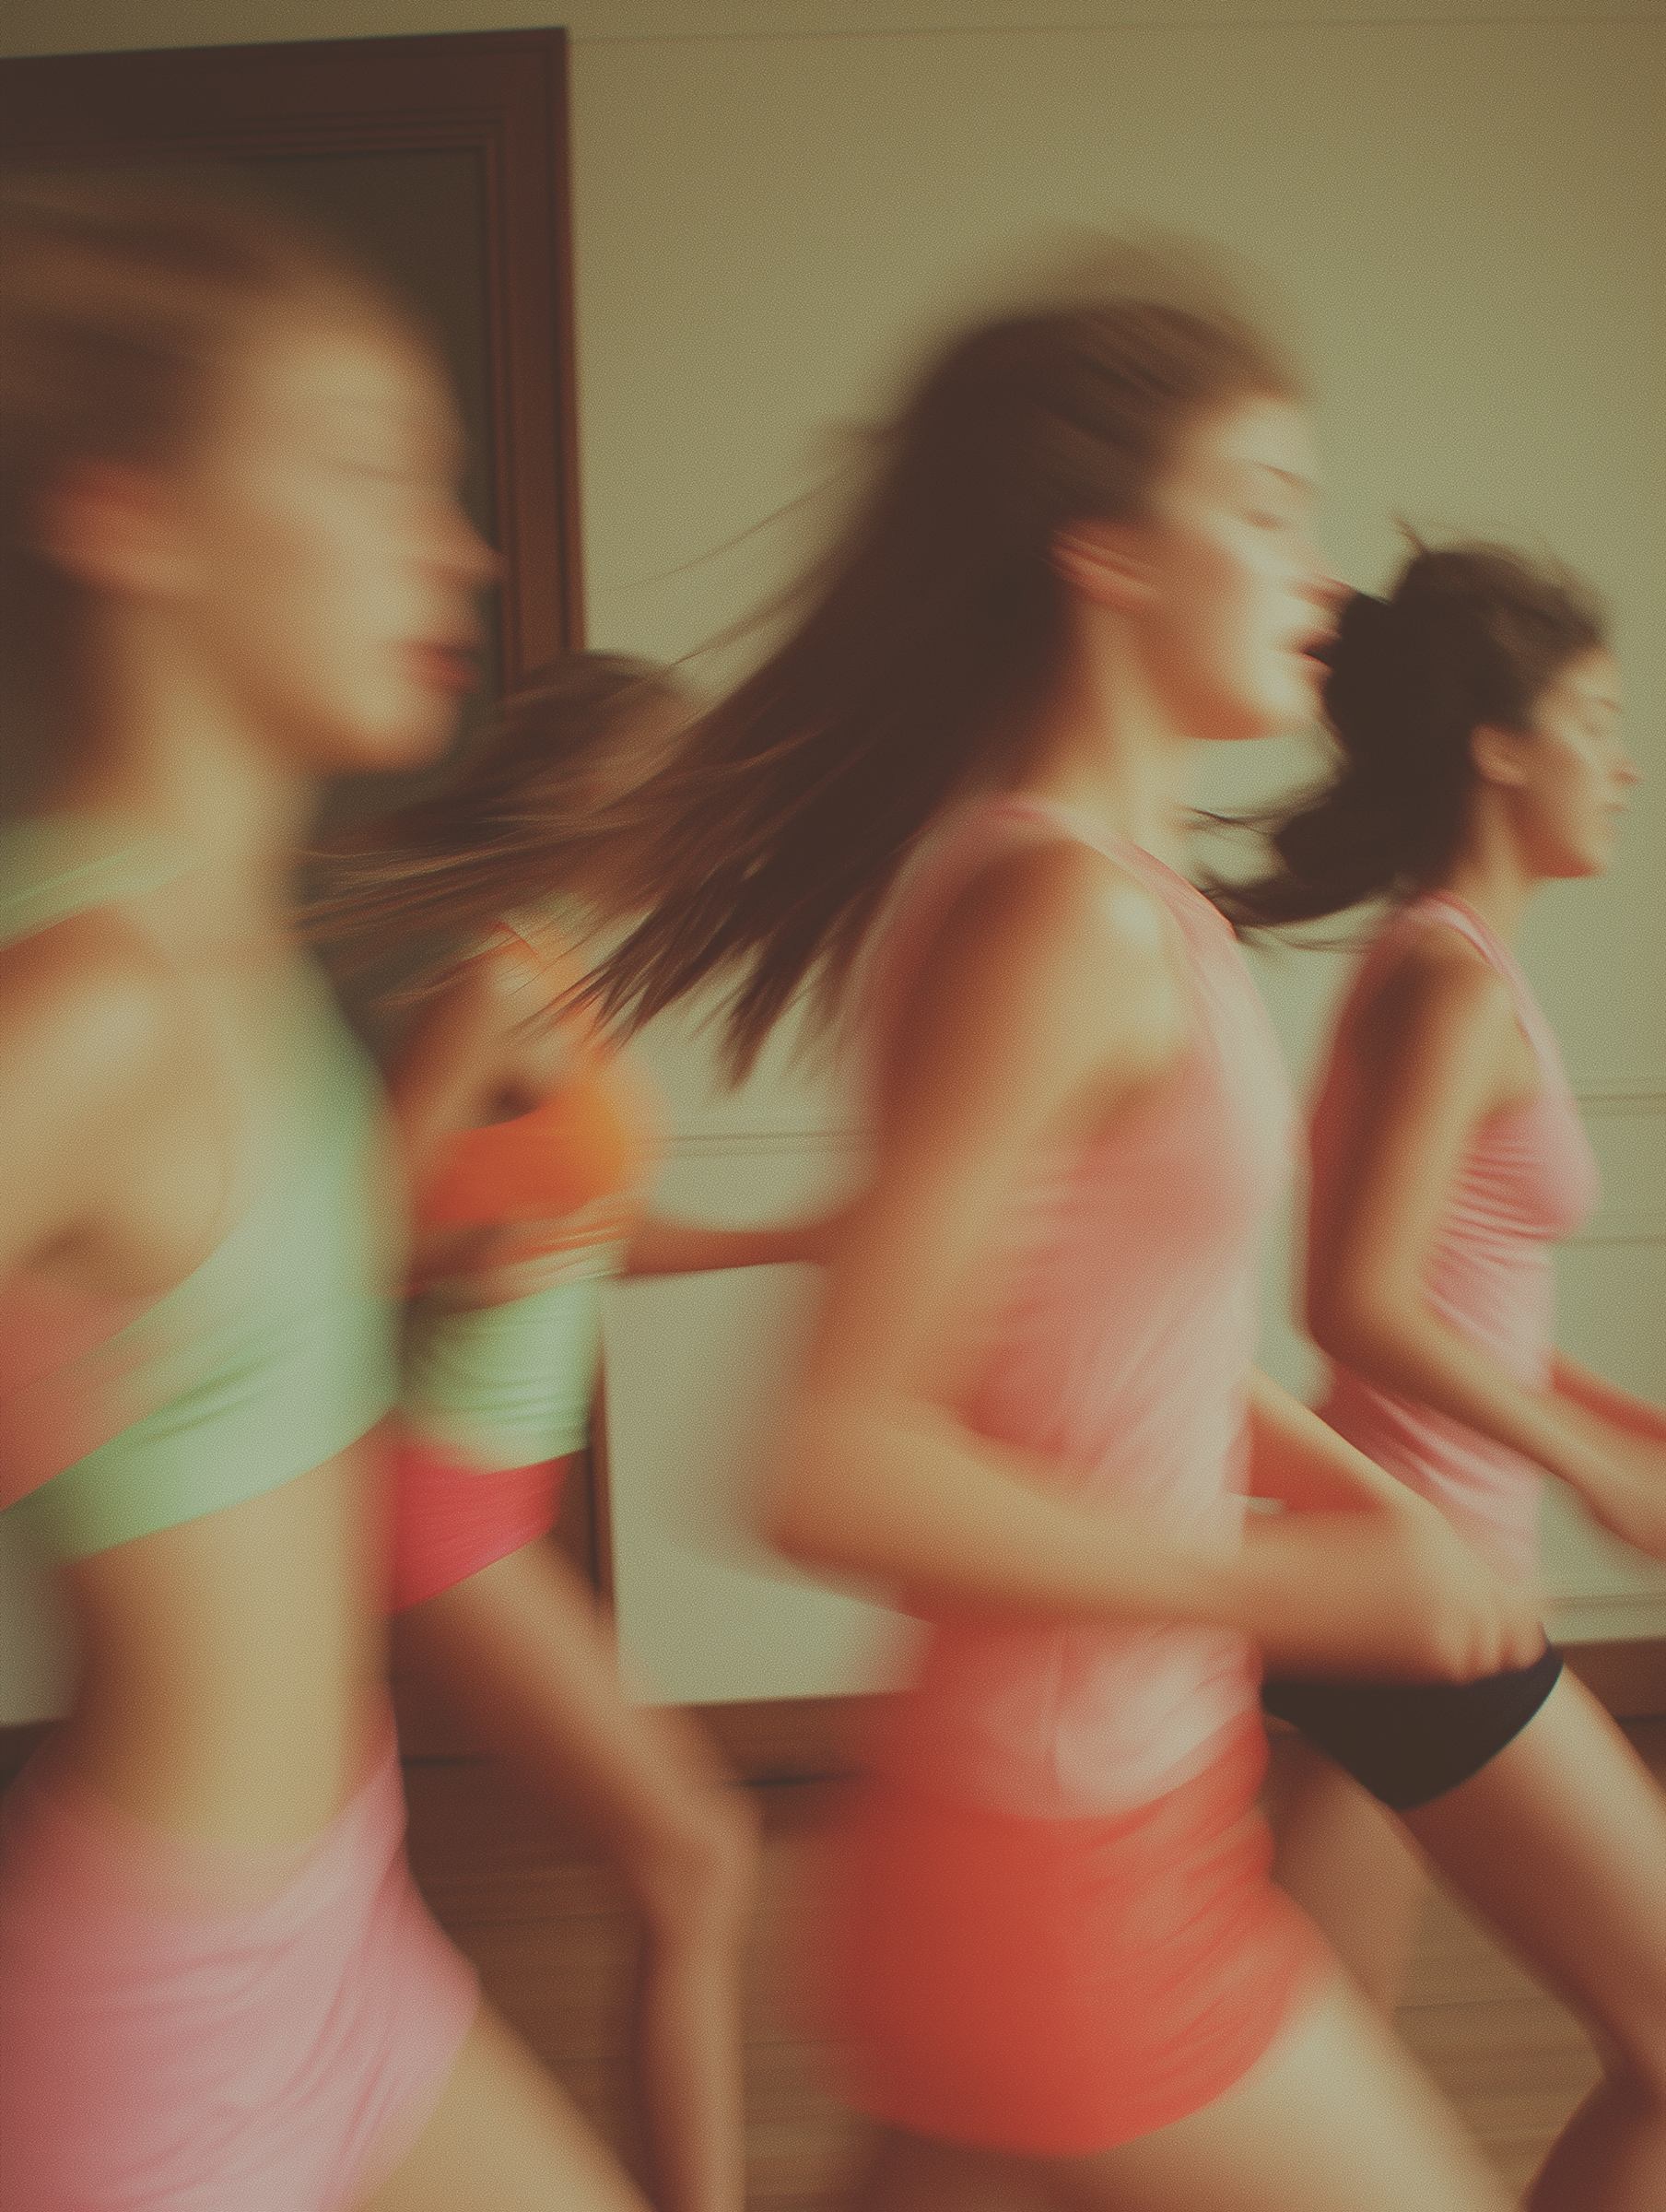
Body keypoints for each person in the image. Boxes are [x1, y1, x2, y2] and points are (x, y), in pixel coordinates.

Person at [579, 283, 1545, 2209]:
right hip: (1061, 1851)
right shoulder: (1059, 917)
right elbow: (832, 1459)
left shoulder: (1134, 899)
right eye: (1265, 506)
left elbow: (1133, 1348)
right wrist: (1288, 1589)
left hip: (1075, 1810)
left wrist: (1375, 1515)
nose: (1323, 576)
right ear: (1104, 551)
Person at [0, 175, 651, 2211]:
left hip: (340, 1927)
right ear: (134, 516)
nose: (460, 548)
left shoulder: (231, 951)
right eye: (370, 471)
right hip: (163, 2028)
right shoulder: (96, 1000)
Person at [316, 653, 846, 2212]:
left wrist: (797, 1237)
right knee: (695, 1853)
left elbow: (593, 1227)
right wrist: (460, 1249)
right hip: (431, 1494)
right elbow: (348, 1237)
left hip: (489, 1496)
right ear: (599, 793)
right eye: (692, 798)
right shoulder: (493, 980)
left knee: (352, 1875)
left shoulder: (559, 971)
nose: (713, 831)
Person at [1223, 546, 1666, 2212]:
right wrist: (1594, 1468)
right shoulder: (1453, 976)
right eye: (1597, 721)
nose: (1627, 764)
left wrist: (1619, 1422)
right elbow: (1355, 1300)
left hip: (1392, 1580)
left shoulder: (1452, 959)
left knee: (1301, 2038)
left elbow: (1458, 1303)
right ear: (1497, 744)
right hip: (1424, 1589)